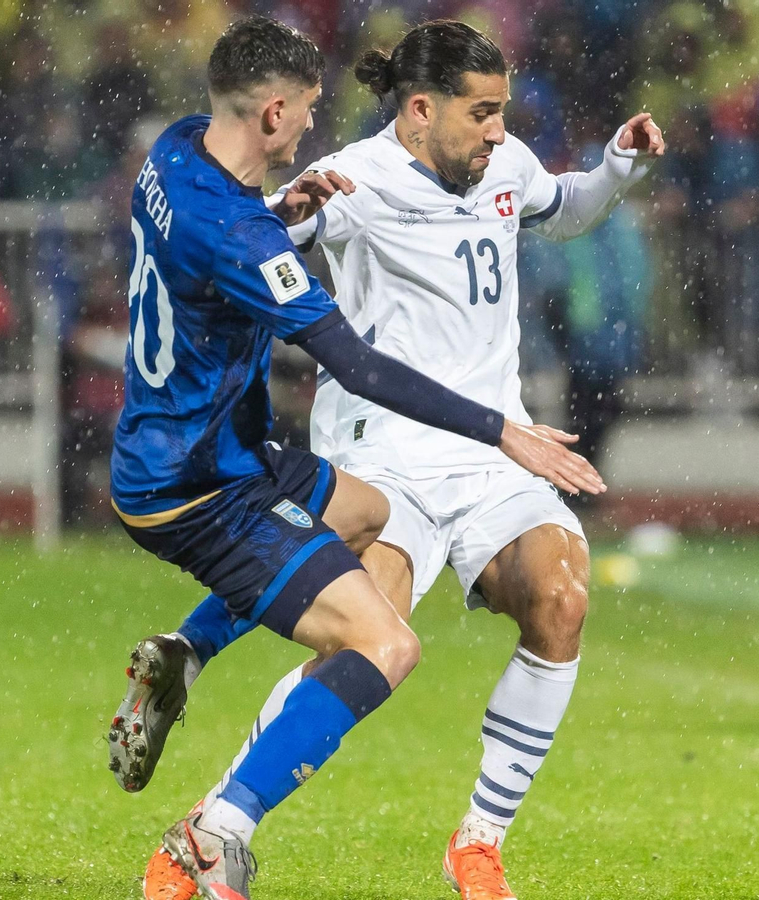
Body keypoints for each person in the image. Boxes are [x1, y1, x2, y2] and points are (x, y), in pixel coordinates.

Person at [138, 19, 663, 900]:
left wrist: (616, 166)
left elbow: (562, 209)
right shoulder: (354, 178)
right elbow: (261, 247)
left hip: (494, 455)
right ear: (420, 109)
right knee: (367, 641)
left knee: (562, 601)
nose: (498, 131)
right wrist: (291, 217)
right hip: (386, 458)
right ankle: (215, 824)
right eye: (481, 114)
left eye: (502, 112)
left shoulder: (504, 164)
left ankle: (480, 845)